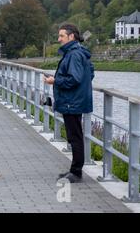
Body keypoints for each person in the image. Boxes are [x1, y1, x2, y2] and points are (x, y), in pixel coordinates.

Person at [44, 24, 94, 183]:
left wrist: (55, 80)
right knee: (75, 136)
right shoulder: (79, 53)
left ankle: (76, 172)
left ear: (71, 36)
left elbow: (75, 78)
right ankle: (74, 170)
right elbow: (90, 73)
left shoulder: (73, 55)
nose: (59, 39)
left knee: (75, 137)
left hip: (72, 102)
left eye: (61, 36)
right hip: (74, 100)